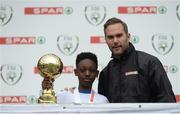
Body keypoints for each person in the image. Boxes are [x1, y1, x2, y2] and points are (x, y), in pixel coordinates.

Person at [98, 17, 176, 103]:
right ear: (106, 40)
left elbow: (167, 101)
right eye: (110, 37)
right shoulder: (105, 73)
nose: (115, 41)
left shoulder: (150, 63)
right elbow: (103, 108)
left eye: (119, 35)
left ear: (128, 37)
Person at [42, 52, 109, 104]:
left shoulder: (102, 100)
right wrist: (47, 90)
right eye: (82, 70)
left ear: (97, 73)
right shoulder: (63, 96)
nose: (87, 74)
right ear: (76, 72)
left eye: (91, 70)